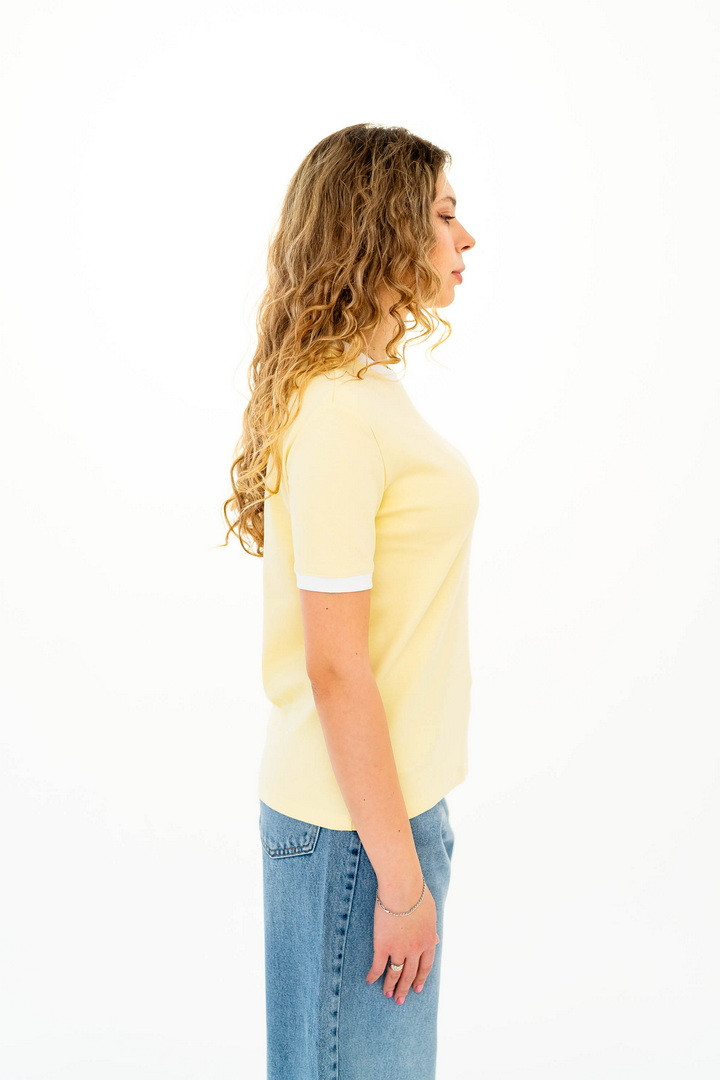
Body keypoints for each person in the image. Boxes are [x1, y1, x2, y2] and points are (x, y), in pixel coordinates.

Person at [222, 122, 477, 1080]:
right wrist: (399, 882)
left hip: (382, 819)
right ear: (384, 229)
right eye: (444, 215)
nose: (465, 237)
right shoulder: (336, 413)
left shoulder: (364, 392)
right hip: (356, 837)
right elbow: (334, 666)